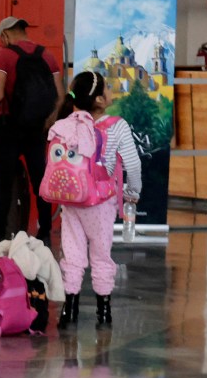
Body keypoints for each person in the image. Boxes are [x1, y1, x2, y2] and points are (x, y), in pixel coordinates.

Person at [53, 72, 141, 330]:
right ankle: (103, 312)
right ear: (100, 100)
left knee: (72, 253)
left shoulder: (66, 123)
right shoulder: (116, 125)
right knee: (101, 255)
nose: (112, 91)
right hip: (101, 202)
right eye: (108, 88)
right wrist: (132, 194)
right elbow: (133, 165)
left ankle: (69, 310)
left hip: (71, 200)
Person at [0, 16, 63, 246]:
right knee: (40, 181)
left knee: (4, 182)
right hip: (37, 129)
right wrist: (49, 119)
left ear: (5, 35)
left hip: (9, 127)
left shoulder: (5, 54)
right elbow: (60, 95)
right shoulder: (47, 55)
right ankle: (45, 231)